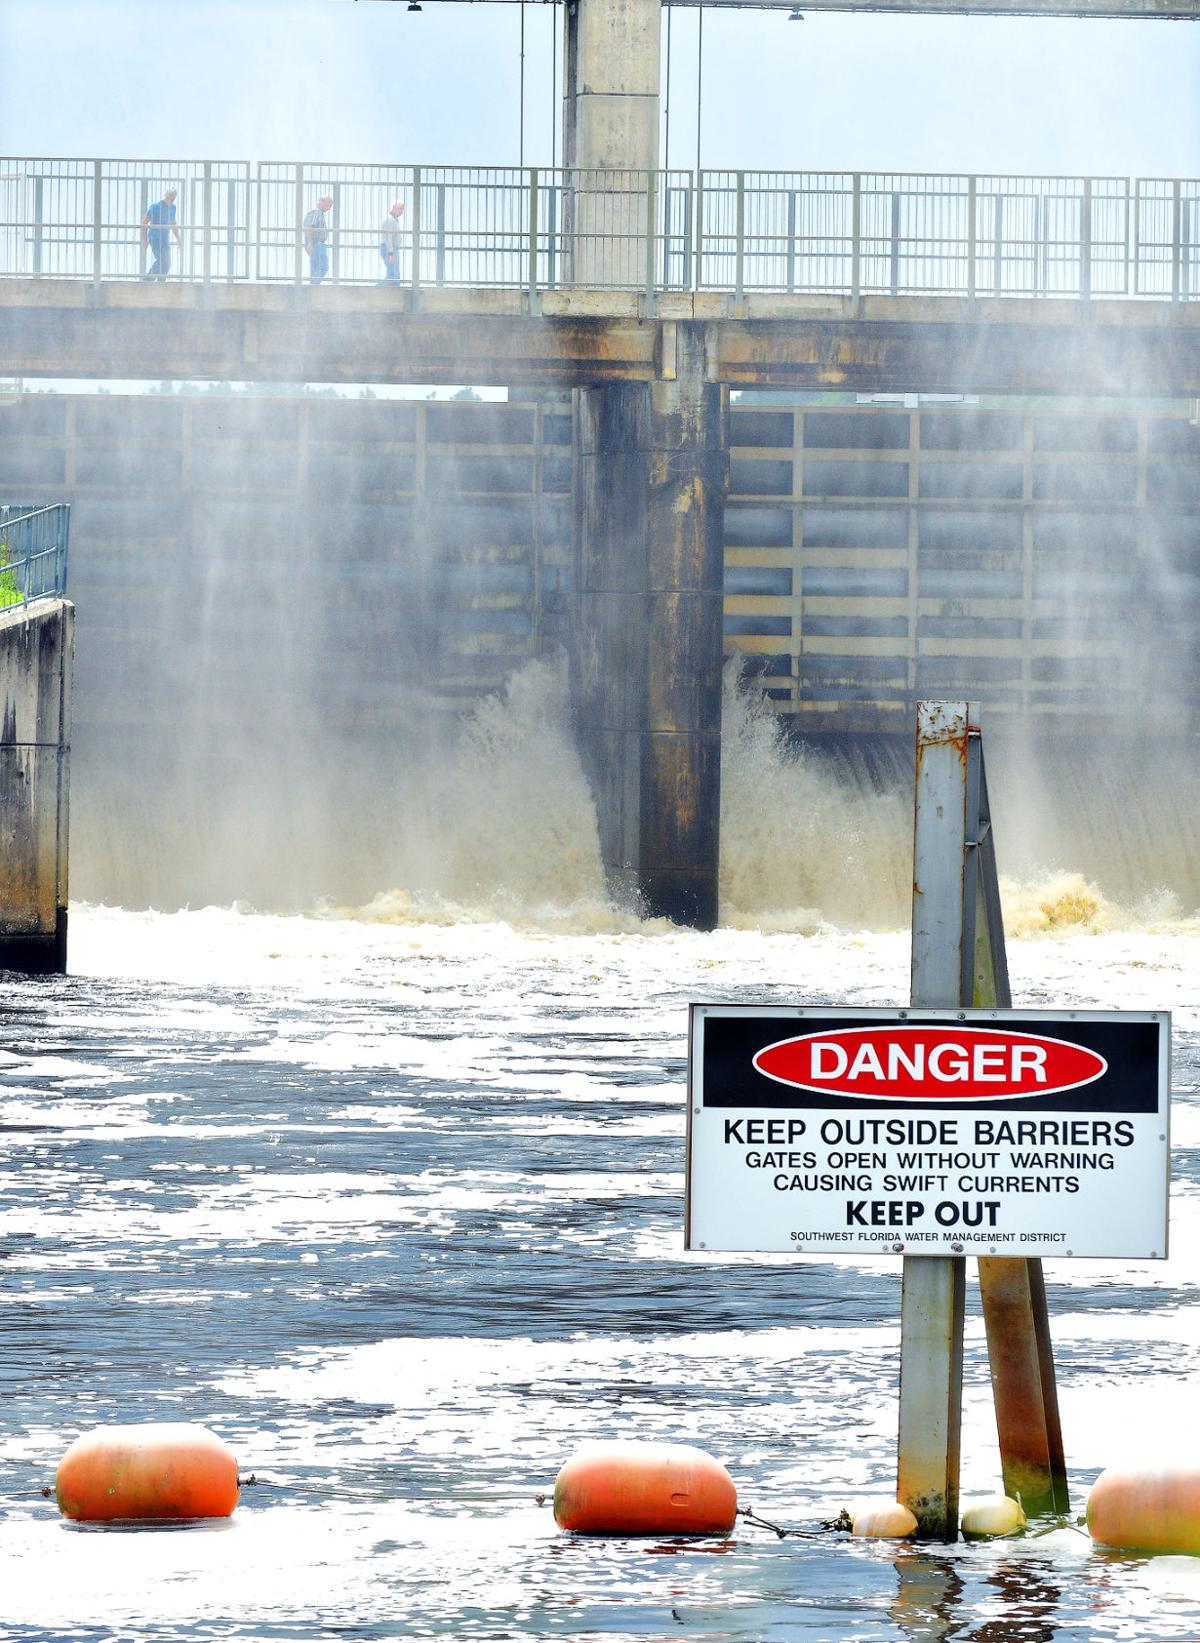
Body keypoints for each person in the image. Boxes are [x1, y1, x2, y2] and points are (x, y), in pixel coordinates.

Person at [142, 188, 182, 281]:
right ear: (166, 197)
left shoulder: (173, 207)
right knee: (162, 260)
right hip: (155, 237)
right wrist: (145, 239)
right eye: (170, 199)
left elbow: (173, 223)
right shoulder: (155, 207)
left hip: (164, 238)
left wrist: (178, 239)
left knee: (167, 263)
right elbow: (144, 223)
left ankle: (160, 282)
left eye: (173, 199)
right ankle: (148, 280)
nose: (171, 201)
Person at [303, 195, 334, 285]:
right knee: (322, 266)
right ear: (322, 202)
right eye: (329, 205)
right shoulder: (316, 213)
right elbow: (309, 226)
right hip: (316, 243)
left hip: (317, 243)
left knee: (317, 266)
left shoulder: (319, 214)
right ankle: (313, 285)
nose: (329, 208)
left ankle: (313, 285)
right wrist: (310, 242)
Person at [378, 199, 406, 282]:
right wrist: (391, 254)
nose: (401, 211)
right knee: (393, 276)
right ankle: (391, 292)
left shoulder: (393, 219)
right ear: (393, 208)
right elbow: (388, 237)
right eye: (399, 208)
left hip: (391, 249)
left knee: (392, 274)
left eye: (402, 209)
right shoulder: (390, 220)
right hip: (390, 249)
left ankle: (387, 291)